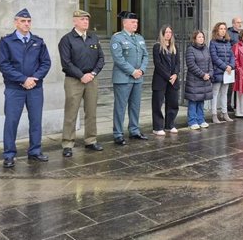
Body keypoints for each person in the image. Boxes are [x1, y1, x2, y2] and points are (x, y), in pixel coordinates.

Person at [0, 8, 51, 168]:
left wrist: (34, 79)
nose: (26, 24)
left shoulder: (38, 41)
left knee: (35, 120)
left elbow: (46, 63)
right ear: (16, 22)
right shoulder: (7, 42)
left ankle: (35, 151)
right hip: (15, 88)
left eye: (28, 21)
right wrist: (23, 79)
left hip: (35, 88)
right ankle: (9, 154)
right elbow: (4, 65)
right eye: (23, 21)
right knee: (11, 121)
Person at [58, 10, 105, 157]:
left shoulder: (93, 37)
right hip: (74, 80)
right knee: (71, 112)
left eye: (87, 20)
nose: (86, 22)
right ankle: (67, 143)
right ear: (75, 21)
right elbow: (66, 63)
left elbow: (101, 58)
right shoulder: (67, 39)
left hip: (91, 79)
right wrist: (81, 75)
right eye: (82, 19)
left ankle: (90, 140)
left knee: (91, 112)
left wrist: (93, 73)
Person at [110, 11, 149, 145]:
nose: (135, 24)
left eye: (136, 22)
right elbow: (118, 59)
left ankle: (134, 130)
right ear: (124, 23)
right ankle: (118, 134)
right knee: (120, 107)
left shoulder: (139, 38)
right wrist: (132, 71)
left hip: (138, 78)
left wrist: (142, 70)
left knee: (135, 106)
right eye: (133, 22)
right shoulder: (117, 38)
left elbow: (146, 56)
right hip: (123, 78)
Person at [151, 25, 180, 135]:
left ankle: (170, 125)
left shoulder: (174, 46)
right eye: (166, 32)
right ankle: (157, 127)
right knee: (158, 104)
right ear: (162, 34)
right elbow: (158, 64)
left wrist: (175, 74)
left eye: (170, 32)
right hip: (160, 80)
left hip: (173, 80)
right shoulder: (157, 47)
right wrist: (168, 77)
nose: (168, 34)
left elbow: (177, 63)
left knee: (173, 102)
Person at [184, 30, 212, 130]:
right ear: (195, 39)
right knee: (193, 100)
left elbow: (210, 62)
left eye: (202, 37)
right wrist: (202, 74)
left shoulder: (206, 49)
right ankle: (192, 121)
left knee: (201, 100)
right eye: (199, 37)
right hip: (194, 80)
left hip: (205, 79)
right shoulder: (190, 49)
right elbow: (191, 65)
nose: (201, 39)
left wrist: (209, 74)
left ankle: (201, 119)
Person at [209, 22, 235, 123]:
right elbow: (214, 57)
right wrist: (225, 67)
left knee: (224, 93)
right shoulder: (213, 42)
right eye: (221, 29)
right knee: (215, 94)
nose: (223, 30)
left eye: (224, 29)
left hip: (227, 72)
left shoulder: (228, 42)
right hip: (218, 71)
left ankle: (224, 113)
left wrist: (231, 66)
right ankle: (214, 114)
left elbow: (232, 56)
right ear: (217, 30)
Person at [227, 17, 242, 112]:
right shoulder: (229, 33)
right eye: (237, 22)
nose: (239, 24)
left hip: (241, 63)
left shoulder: (242, 33)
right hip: (232, 62)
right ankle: (228, 105)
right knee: (230, 85)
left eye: (241, 22)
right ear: (233, 23)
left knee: (239, 83)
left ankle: (238, 105)